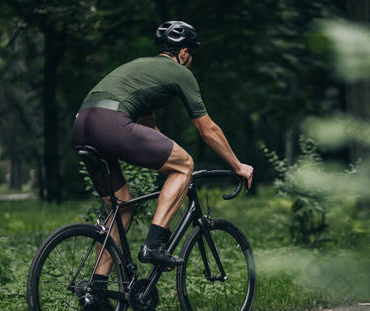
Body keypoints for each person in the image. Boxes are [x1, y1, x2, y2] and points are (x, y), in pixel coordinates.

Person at [73, 21, 254, 294]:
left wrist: (170, 150)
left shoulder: (142, 68)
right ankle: (154, 244)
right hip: (111, 122)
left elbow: (148, 130)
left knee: (121, 207)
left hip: (82, 124)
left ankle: (97, 290)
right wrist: (237, 165)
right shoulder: (179, 73)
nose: (190, 61)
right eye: (191, 55)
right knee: (185, 166)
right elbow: (208, 129)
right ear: (183, 53)